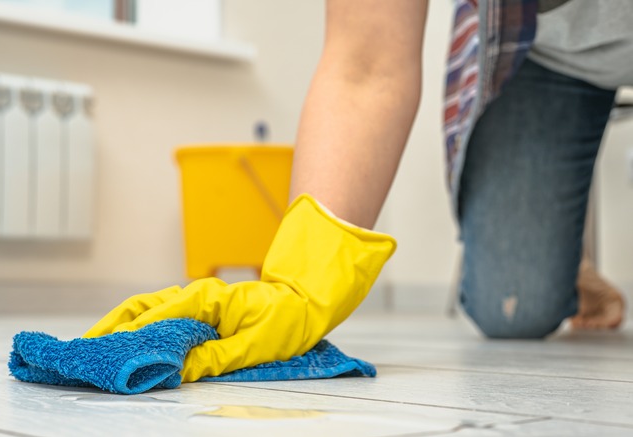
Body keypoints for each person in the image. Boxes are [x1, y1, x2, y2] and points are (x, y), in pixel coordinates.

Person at [84, 1, 627, 381]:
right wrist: (300, 287)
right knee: (513, 310)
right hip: (547, 53)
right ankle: (564, 266)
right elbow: (367, 64)